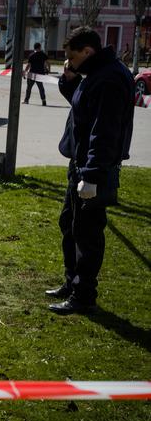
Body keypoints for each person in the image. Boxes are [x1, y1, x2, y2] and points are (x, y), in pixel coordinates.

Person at [47, 28, 134, 314]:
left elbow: (104, 131)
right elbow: (82, 106)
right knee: (69, 224)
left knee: (87, 233)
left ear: (87, 51)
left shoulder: (110, 78)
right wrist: (69, 80)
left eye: (72, 58)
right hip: (81, 166)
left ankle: (84, 296)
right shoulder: (96, 75)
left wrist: (93, 176)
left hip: (93, 170)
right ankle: (71, 282)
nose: (70, 63)